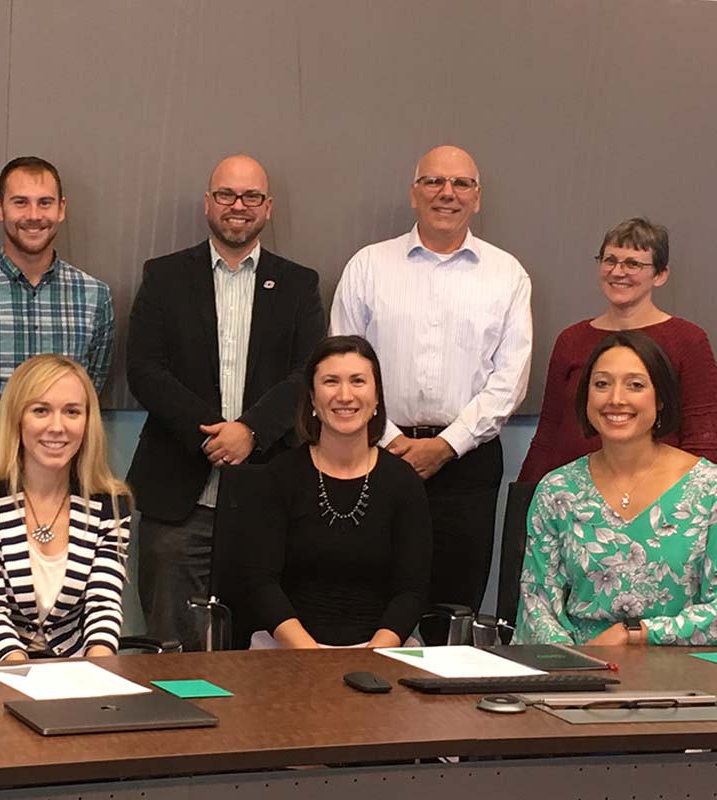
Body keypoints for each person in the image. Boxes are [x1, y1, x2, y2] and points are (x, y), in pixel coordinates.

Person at [127, 153, 325, 650]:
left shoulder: (300, 284)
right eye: (226, 195)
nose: (238, 206)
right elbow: (144, 370)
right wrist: (214, 435)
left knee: (256, 654)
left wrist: (250, 431)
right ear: (208, 203)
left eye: (251, 197)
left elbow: (307, 373)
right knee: (169, 652)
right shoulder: (164, 276)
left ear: (268, 207)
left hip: (266, 498)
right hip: (177, 501)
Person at [331, 144, 532, 613]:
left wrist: (448, 445)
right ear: (414, 193)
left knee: (453, 611)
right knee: (368, 602)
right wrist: (391, 439)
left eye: (461, 183)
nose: (447, 193)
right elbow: (342, 366)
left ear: (477, 198)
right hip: (375, 455)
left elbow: (510, 380)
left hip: (469, 465)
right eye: (434, 182)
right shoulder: (368, 266)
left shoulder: (507, 274)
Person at [516, 331, 717, 646]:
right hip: (578, 674)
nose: (615, 399)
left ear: (661, 397)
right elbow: (536, 605)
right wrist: (573, 667)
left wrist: (636, 635)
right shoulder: (557, 490)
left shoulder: (708, 489)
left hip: (680, 675)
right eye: (602, 384)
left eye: (635, 385)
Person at [236, 336, 432, 648]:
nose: (345, 395)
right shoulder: (278, 477)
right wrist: (312, 656)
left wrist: (373, 654)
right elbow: (261, 582)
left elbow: (413, 590)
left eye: (358, 381)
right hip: (290, 650)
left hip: (383, 652)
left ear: (377, 396)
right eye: (331, 382)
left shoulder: (403, 481)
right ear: (312, 398)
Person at [0, 156, 114, 479]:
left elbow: (89, 391)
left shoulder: (95, 297)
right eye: (20, 203)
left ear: (61, 209)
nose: (33, 216)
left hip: (63, 477)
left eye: (44, 203)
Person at [0, 354, 131, 661]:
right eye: (41, 411)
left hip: (75, 670)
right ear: (16, 418)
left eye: (72, 412)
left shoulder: (109, 504)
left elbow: (103, 605)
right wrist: (25, 677)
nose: (57, 427)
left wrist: (100, 674)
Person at [518, 218, 717, 482]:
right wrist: (525, 500)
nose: (618, 272)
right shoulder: (571, 339)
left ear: (660, 275)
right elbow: (549, 433)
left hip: (656, 499)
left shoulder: (688, 340)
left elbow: (702, 439)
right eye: (610, 260)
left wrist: (684, 506)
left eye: (633, 263)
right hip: (571, 499)